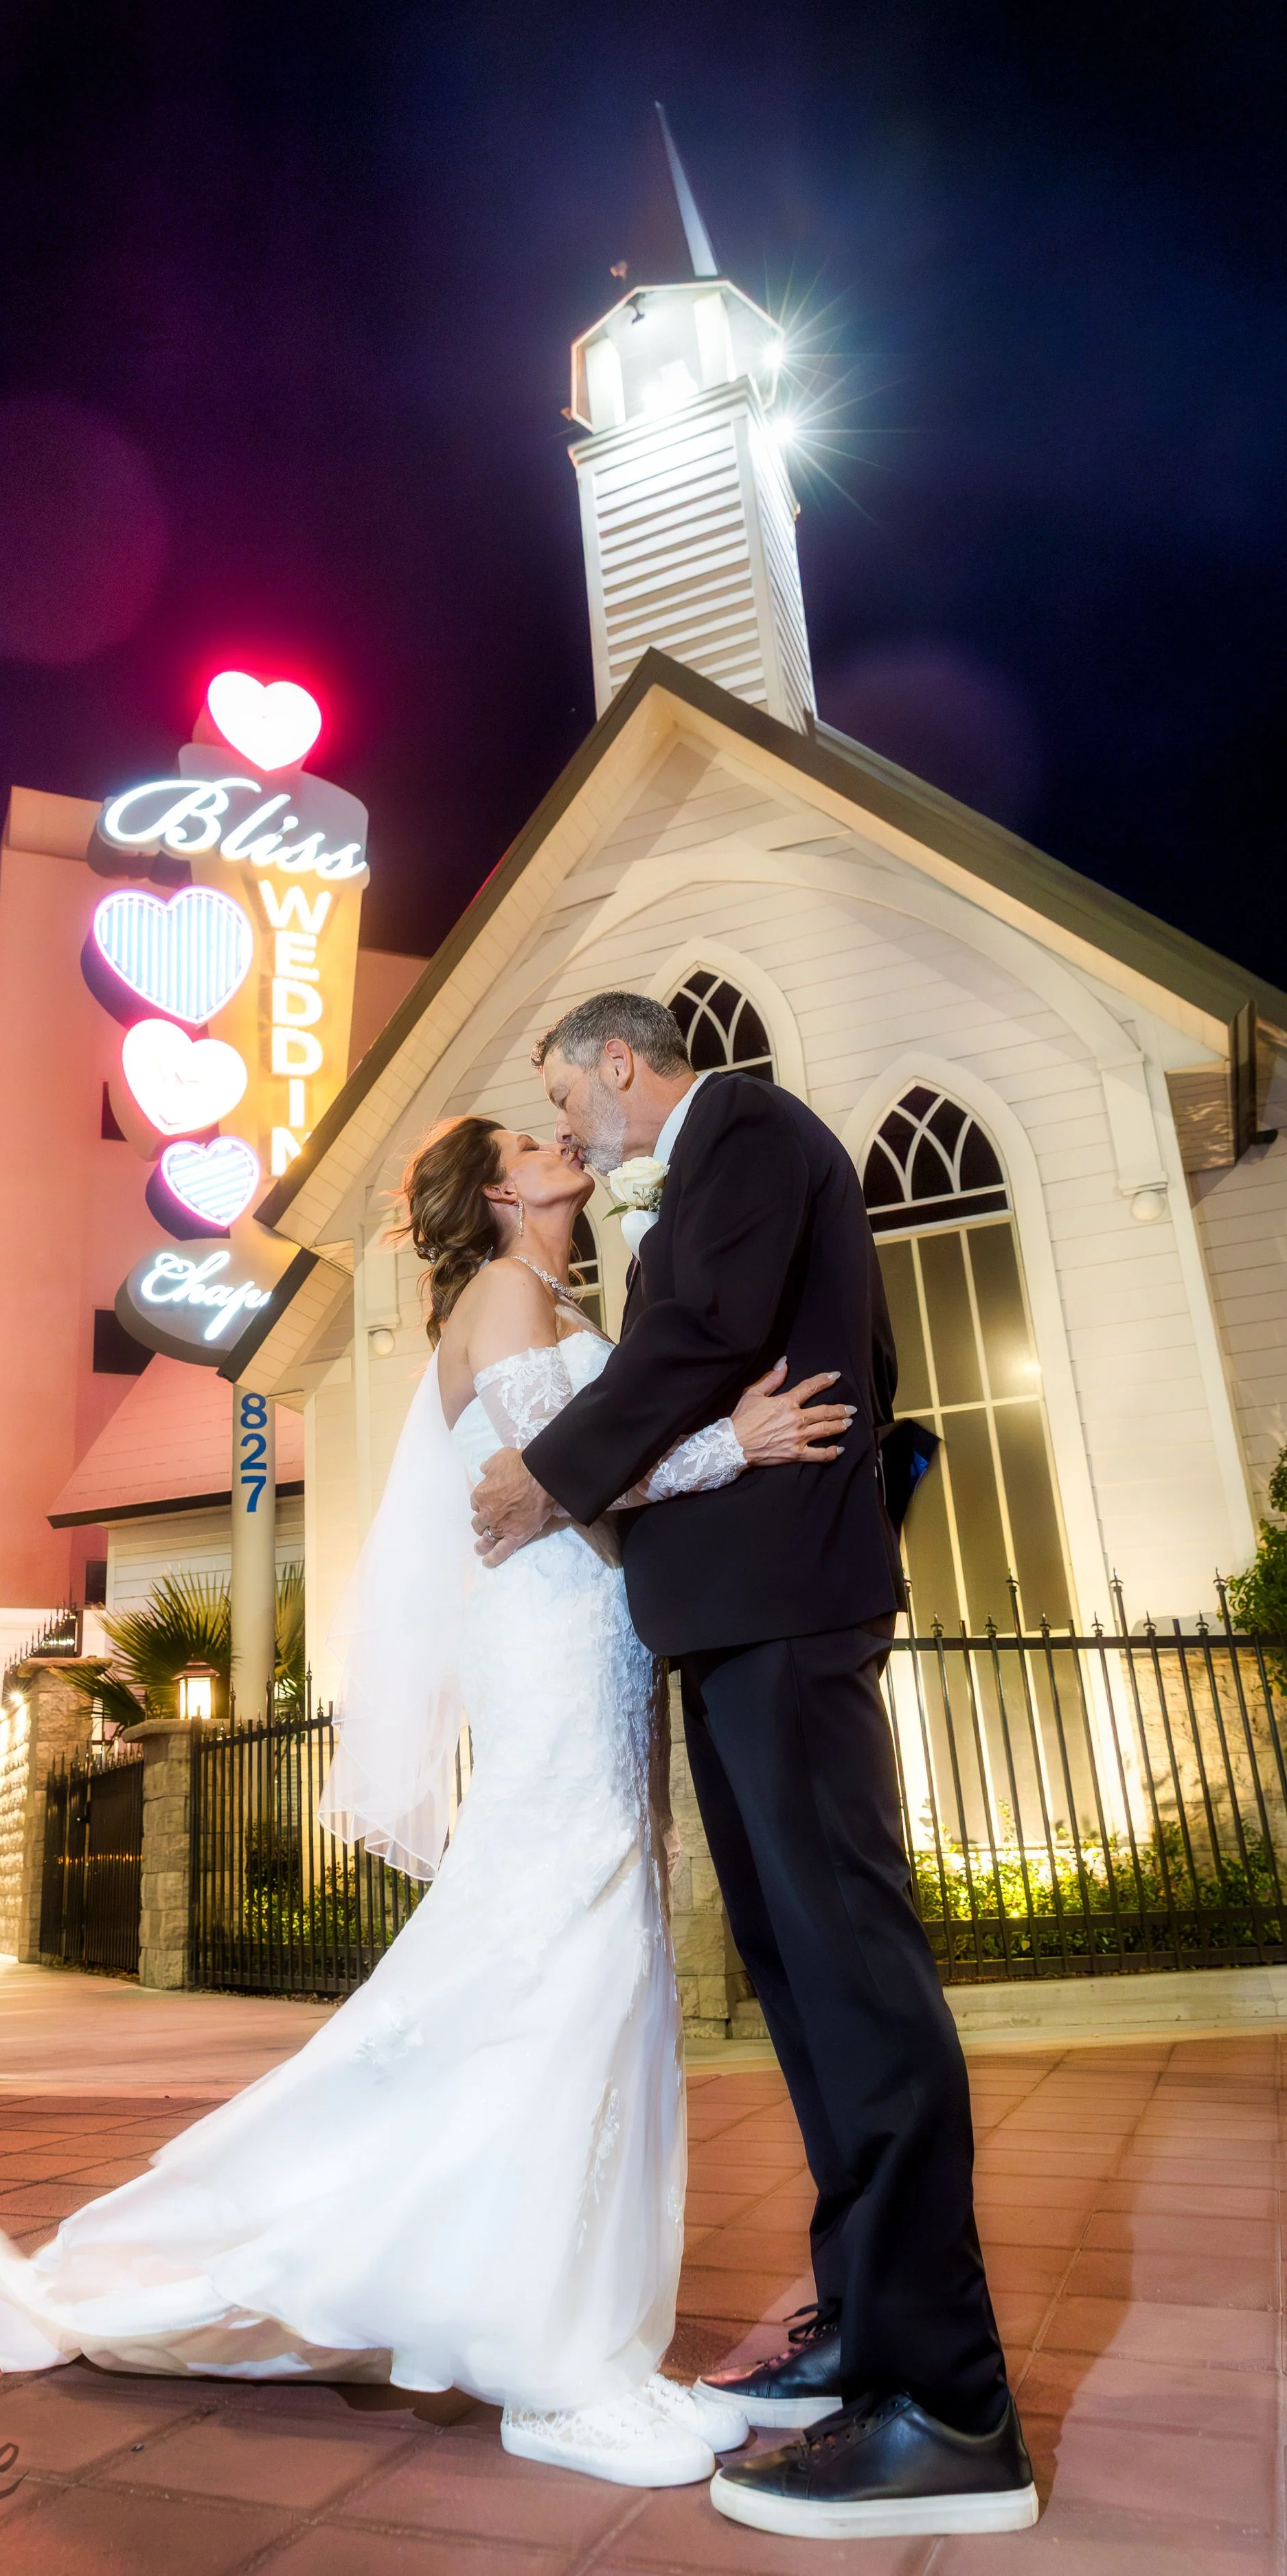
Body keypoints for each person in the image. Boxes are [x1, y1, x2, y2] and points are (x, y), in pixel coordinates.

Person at [0, 1111, 849, 2489]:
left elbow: (564, 1477)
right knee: (557, 1956)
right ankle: (548, 2370)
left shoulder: (550, 1298)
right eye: (536, 1137)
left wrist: (660, 1456)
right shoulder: (501, 1295)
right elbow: (574, 1476)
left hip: (598, 1645)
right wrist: (733, 1439)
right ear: (501, 1189)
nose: (566, 1139)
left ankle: (587, 2338)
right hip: (549, 1649)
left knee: (595, 1968)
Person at [470, 991, 1036, 2542]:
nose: (572, 1125)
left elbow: (700, 1341)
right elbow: (778, 1352)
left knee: (858, 1982)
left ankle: (947, 2403)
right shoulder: (728, 1162)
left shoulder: (753, 1136)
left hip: (790, 1619)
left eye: (565, 1094)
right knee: (805, 1995)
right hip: (744, 1627)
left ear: (621, 1064)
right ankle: (861, 2313)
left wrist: (552, 1471)